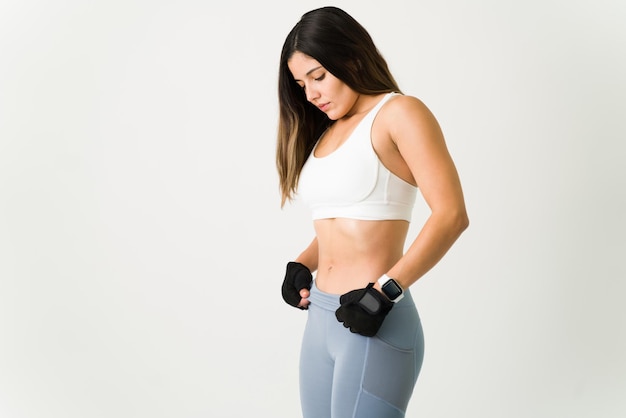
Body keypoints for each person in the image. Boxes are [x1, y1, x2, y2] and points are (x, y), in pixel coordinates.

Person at [276, 6, 469, 418]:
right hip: (323, 318)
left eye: (317, 76)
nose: (310, 94)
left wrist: (386, 292)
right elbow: (346, 219)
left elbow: (451, 214)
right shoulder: (329, 129)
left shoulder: (399, 113)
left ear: (352, 58)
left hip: (374, 318)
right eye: (300, 83)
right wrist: (301, 263)